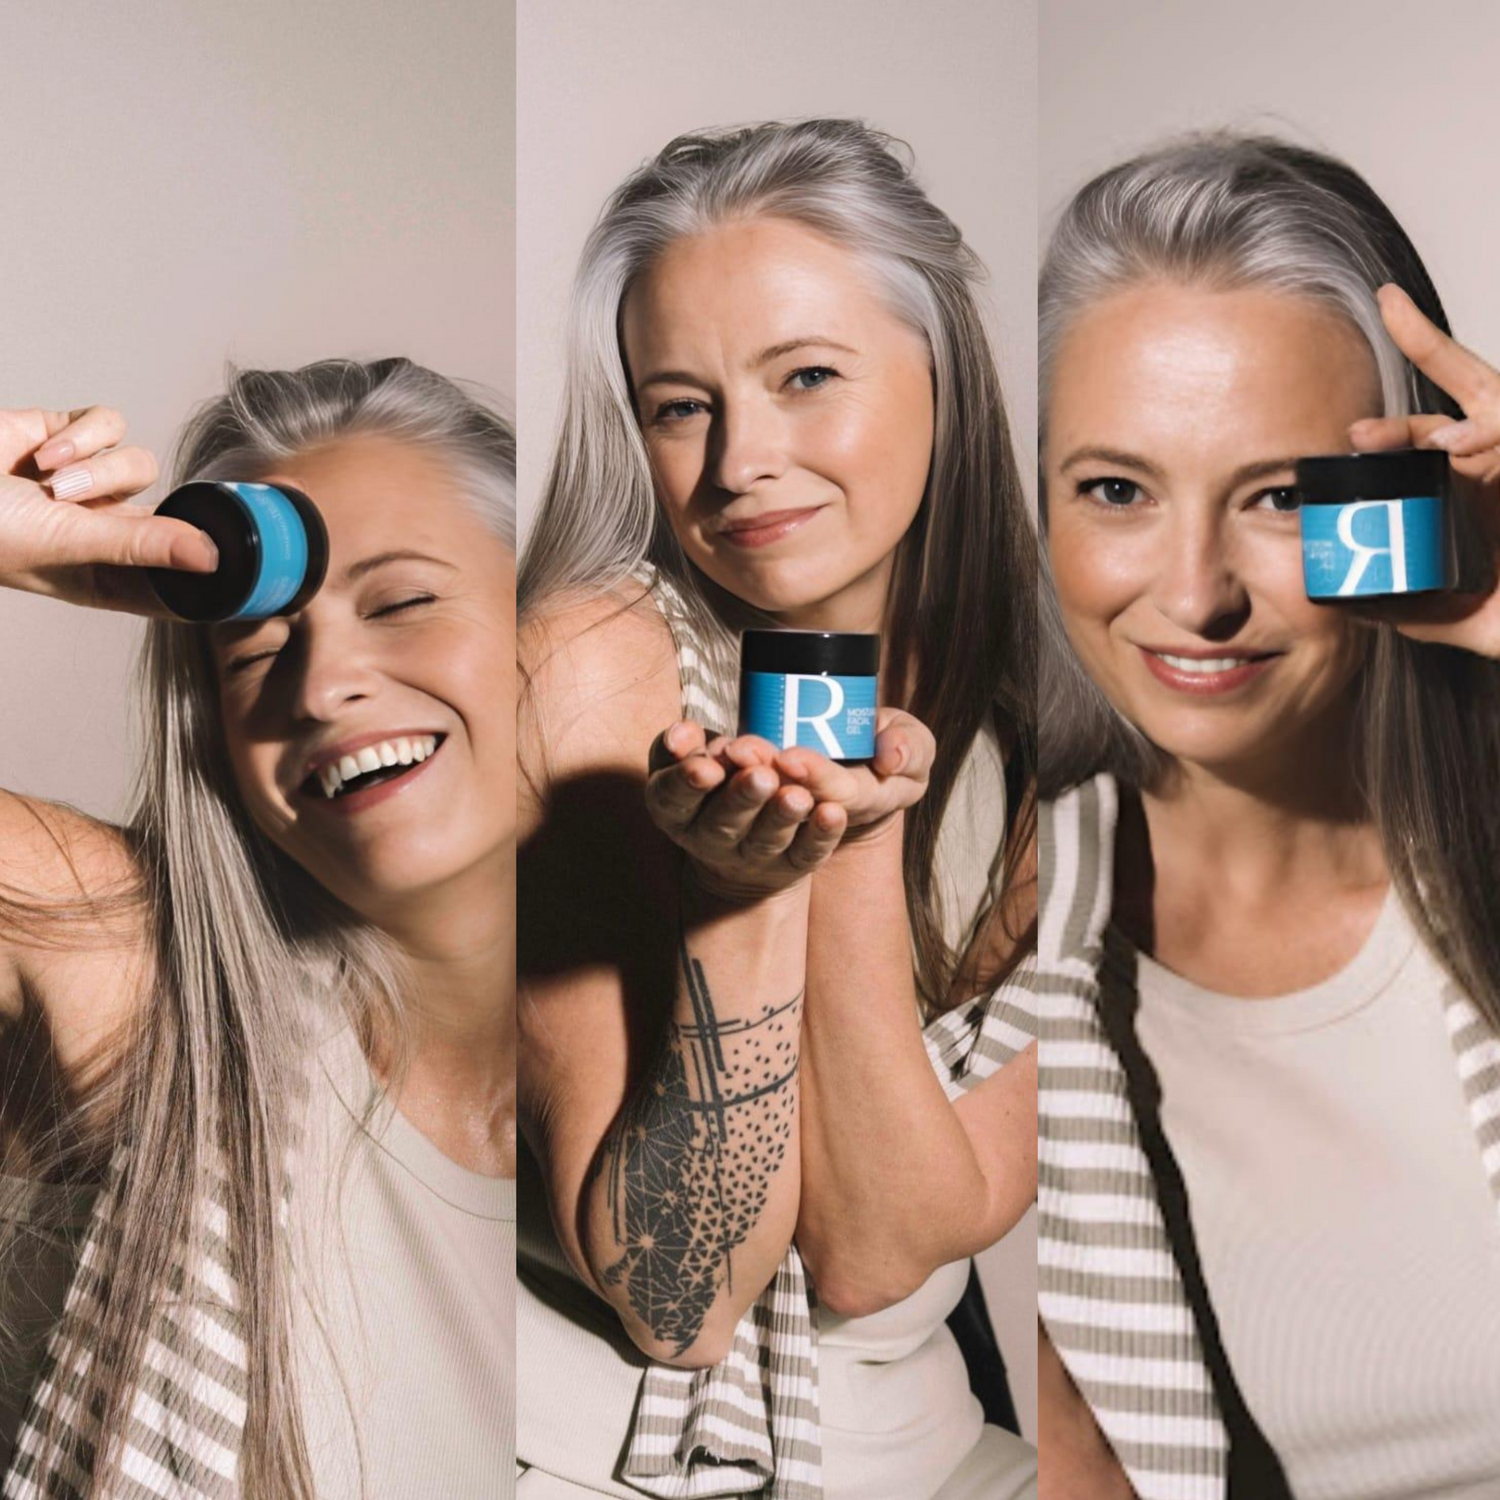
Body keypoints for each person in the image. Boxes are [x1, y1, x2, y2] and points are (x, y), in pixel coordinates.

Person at [517, 118, 1039, 1500]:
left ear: (943, 376)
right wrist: (747, 892)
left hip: (930, 1456)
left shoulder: (1062, 742)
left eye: (807, 376)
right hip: (601, 1457)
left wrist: (853, 839)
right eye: (681, 403)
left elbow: (877, 1255)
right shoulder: (587, 660)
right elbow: (678, 1301)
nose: (740, 459)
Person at [1036, 132, 1500, 1500]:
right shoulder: (984, 949)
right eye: (1117, 491)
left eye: (1285, 496)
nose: (1195, 594)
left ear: (1415, 493)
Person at [0, 361, 517, 1500]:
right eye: (254, 651)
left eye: (401, 602)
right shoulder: (143, 974)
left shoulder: (724, 987)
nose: (324, 684)